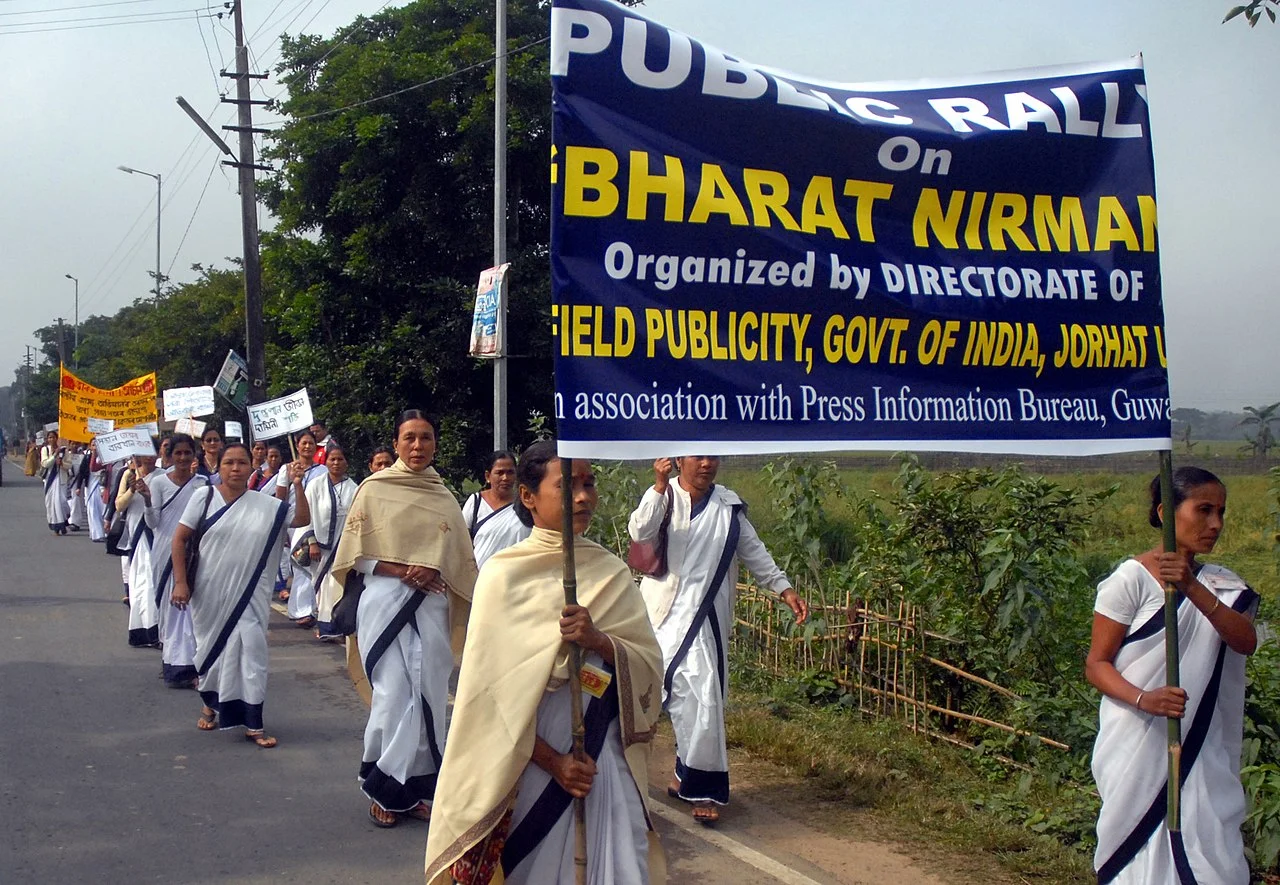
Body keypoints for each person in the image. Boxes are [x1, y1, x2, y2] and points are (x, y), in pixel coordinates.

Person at [425, 441, 665, 884]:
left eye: (588, 484)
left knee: (619, 862)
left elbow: (648, 662)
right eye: (567, 485)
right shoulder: (503, 575)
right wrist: (555, 763)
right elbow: (487, 698)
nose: (583, 497)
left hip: (601, 758)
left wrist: (600, 640)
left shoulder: (609, 571)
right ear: (529, 496)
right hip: (532, 763)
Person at [1086, 467, 1258, 884]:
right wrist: (1147, 699)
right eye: (1203, 510)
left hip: (1201, 747)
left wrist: (1191, 587)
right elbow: (1097, 664)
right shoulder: (1130, 581)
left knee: (1209, 861)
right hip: (1139, 743)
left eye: (1220, 512)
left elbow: (1245, 641)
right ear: (1166, 512)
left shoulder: (1221, 583)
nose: (1215, 524)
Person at [628, 455, 808, 824]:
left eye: (713, 456)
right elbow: (639, 533)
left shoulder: (729, 507)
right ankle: (674, 772)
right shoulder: (664, 496)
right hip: (660, 614)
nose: (706, 464)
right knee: (664, 694)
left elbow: (754, 551)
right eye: (698, 456)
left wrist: (783, 588)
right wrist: (659, 488)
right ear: (680, 460)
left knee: (702, 695)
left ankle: (702, 786)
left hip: (703, 617)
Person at [328, 410, 477, 828]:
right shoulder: (374, 490)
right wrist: (405, 570)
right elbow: (356, 555)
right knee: (393, 694)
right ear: (395, 443)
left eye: (425, 438)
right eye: (409, 438)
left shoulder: (443, 496)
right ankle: (382, 786)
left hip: (431, 605)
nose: (417, 446)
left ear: (434, 443)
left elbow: (459, 560)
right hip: (384, 601)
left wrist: (433, 569)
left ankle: (412, 791)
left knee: (429, 692)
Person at [171, 444, 311, 748]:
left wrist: (298, 484)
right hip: (209, 593)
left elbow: (300, 520)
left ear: (252, 467)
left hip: (251, 594)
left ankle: (253, 722)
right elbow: (180, 539)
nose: (236, 468)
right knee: (212, 651)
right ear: (219, 467)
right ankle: (210, 703)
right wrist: (180, 582)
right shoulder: (203, 497)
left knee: (253, 652)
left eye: (242, 463)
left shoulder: (266, 505)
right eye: (229, 463)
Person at [144, 434, 208, 689]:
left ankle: (189, 665)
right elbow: (153, 523)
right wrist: (147, 499)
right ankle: (170, 660)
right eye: (178, 454)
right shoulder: (159, 483)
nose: (183, 458)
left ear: (195, 456)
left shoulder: (202, 485)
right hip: (164, 551)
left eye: (187, 453)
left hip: (193, 554)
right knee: (168, 608)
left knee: (190, 611)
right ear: (169, 456)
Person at [301, 444, 357, 637]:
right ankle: (323, 627)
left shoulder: (354, 488)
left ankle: (335, 627)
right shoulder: (315, 485)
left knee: (338, 587)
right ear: (325, 462)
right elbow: (306, 513)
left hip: (342, 548)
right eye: (332, 459)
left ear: (346, 462)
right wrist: (312, 542)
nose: (336, 463)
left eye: (340, 459)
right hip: (319, 548)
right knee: (321, 587)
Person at [276, 430, 328, 624]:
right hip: (295, 520)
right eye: (304, 443)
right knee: (300, 562)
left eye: (311, 443)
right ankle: (300, 609)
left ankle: (313, 608)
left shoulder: (322, 470)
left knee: (314, 563)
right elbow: (280, 496)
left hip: (316, 518)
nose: (307, 447)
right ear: (297, 445)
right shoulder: (287, 468)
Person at [117, 451, 160, 648]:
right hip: (135, 536)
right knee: (138, 586)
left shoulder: (162, 477)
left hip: (155, 534)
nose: (149, 458)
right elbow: (119, 505)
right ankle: (140, 630)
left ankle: (155, 629)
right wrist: (132, 489)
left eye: (153, 453)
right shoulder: (128, 475)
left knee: (152, 584)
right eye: (145, 454)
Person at [460, 450, 530, 568]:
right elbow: (461, 542)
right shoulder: (476, 502)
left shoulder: (526, 504)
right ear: (488, 476)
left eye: (510, 472)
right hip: (480, 578)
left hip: (517, 576)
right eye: (499, 473)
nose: (505, 478)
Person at [40, 431, 72, 535]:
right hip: (50, 480)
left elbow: (69, 465)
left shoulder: (64, 450)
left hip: (61, 479)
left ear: (57, 438)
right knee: (52, 504)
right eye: (49, 438)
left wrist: (62, 463)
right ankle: (57, 527)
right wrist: (54, 456)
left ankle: (63, 521)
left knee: (62, 502)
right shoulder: (45, 450)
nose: (51, 439)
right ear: (47, 439)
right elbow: (45, 463)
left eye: (53, 437)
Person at [66, 444, 89, 531]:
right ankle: (71, 519)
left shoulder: (83, 455)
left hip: (81, 481)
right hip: (69, 481)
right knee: (72, 501)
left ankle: (76, 521)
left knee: (79, 501)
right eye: (72, 443)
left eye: (76, 443)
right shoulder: (66, 455)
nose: (74, 445)